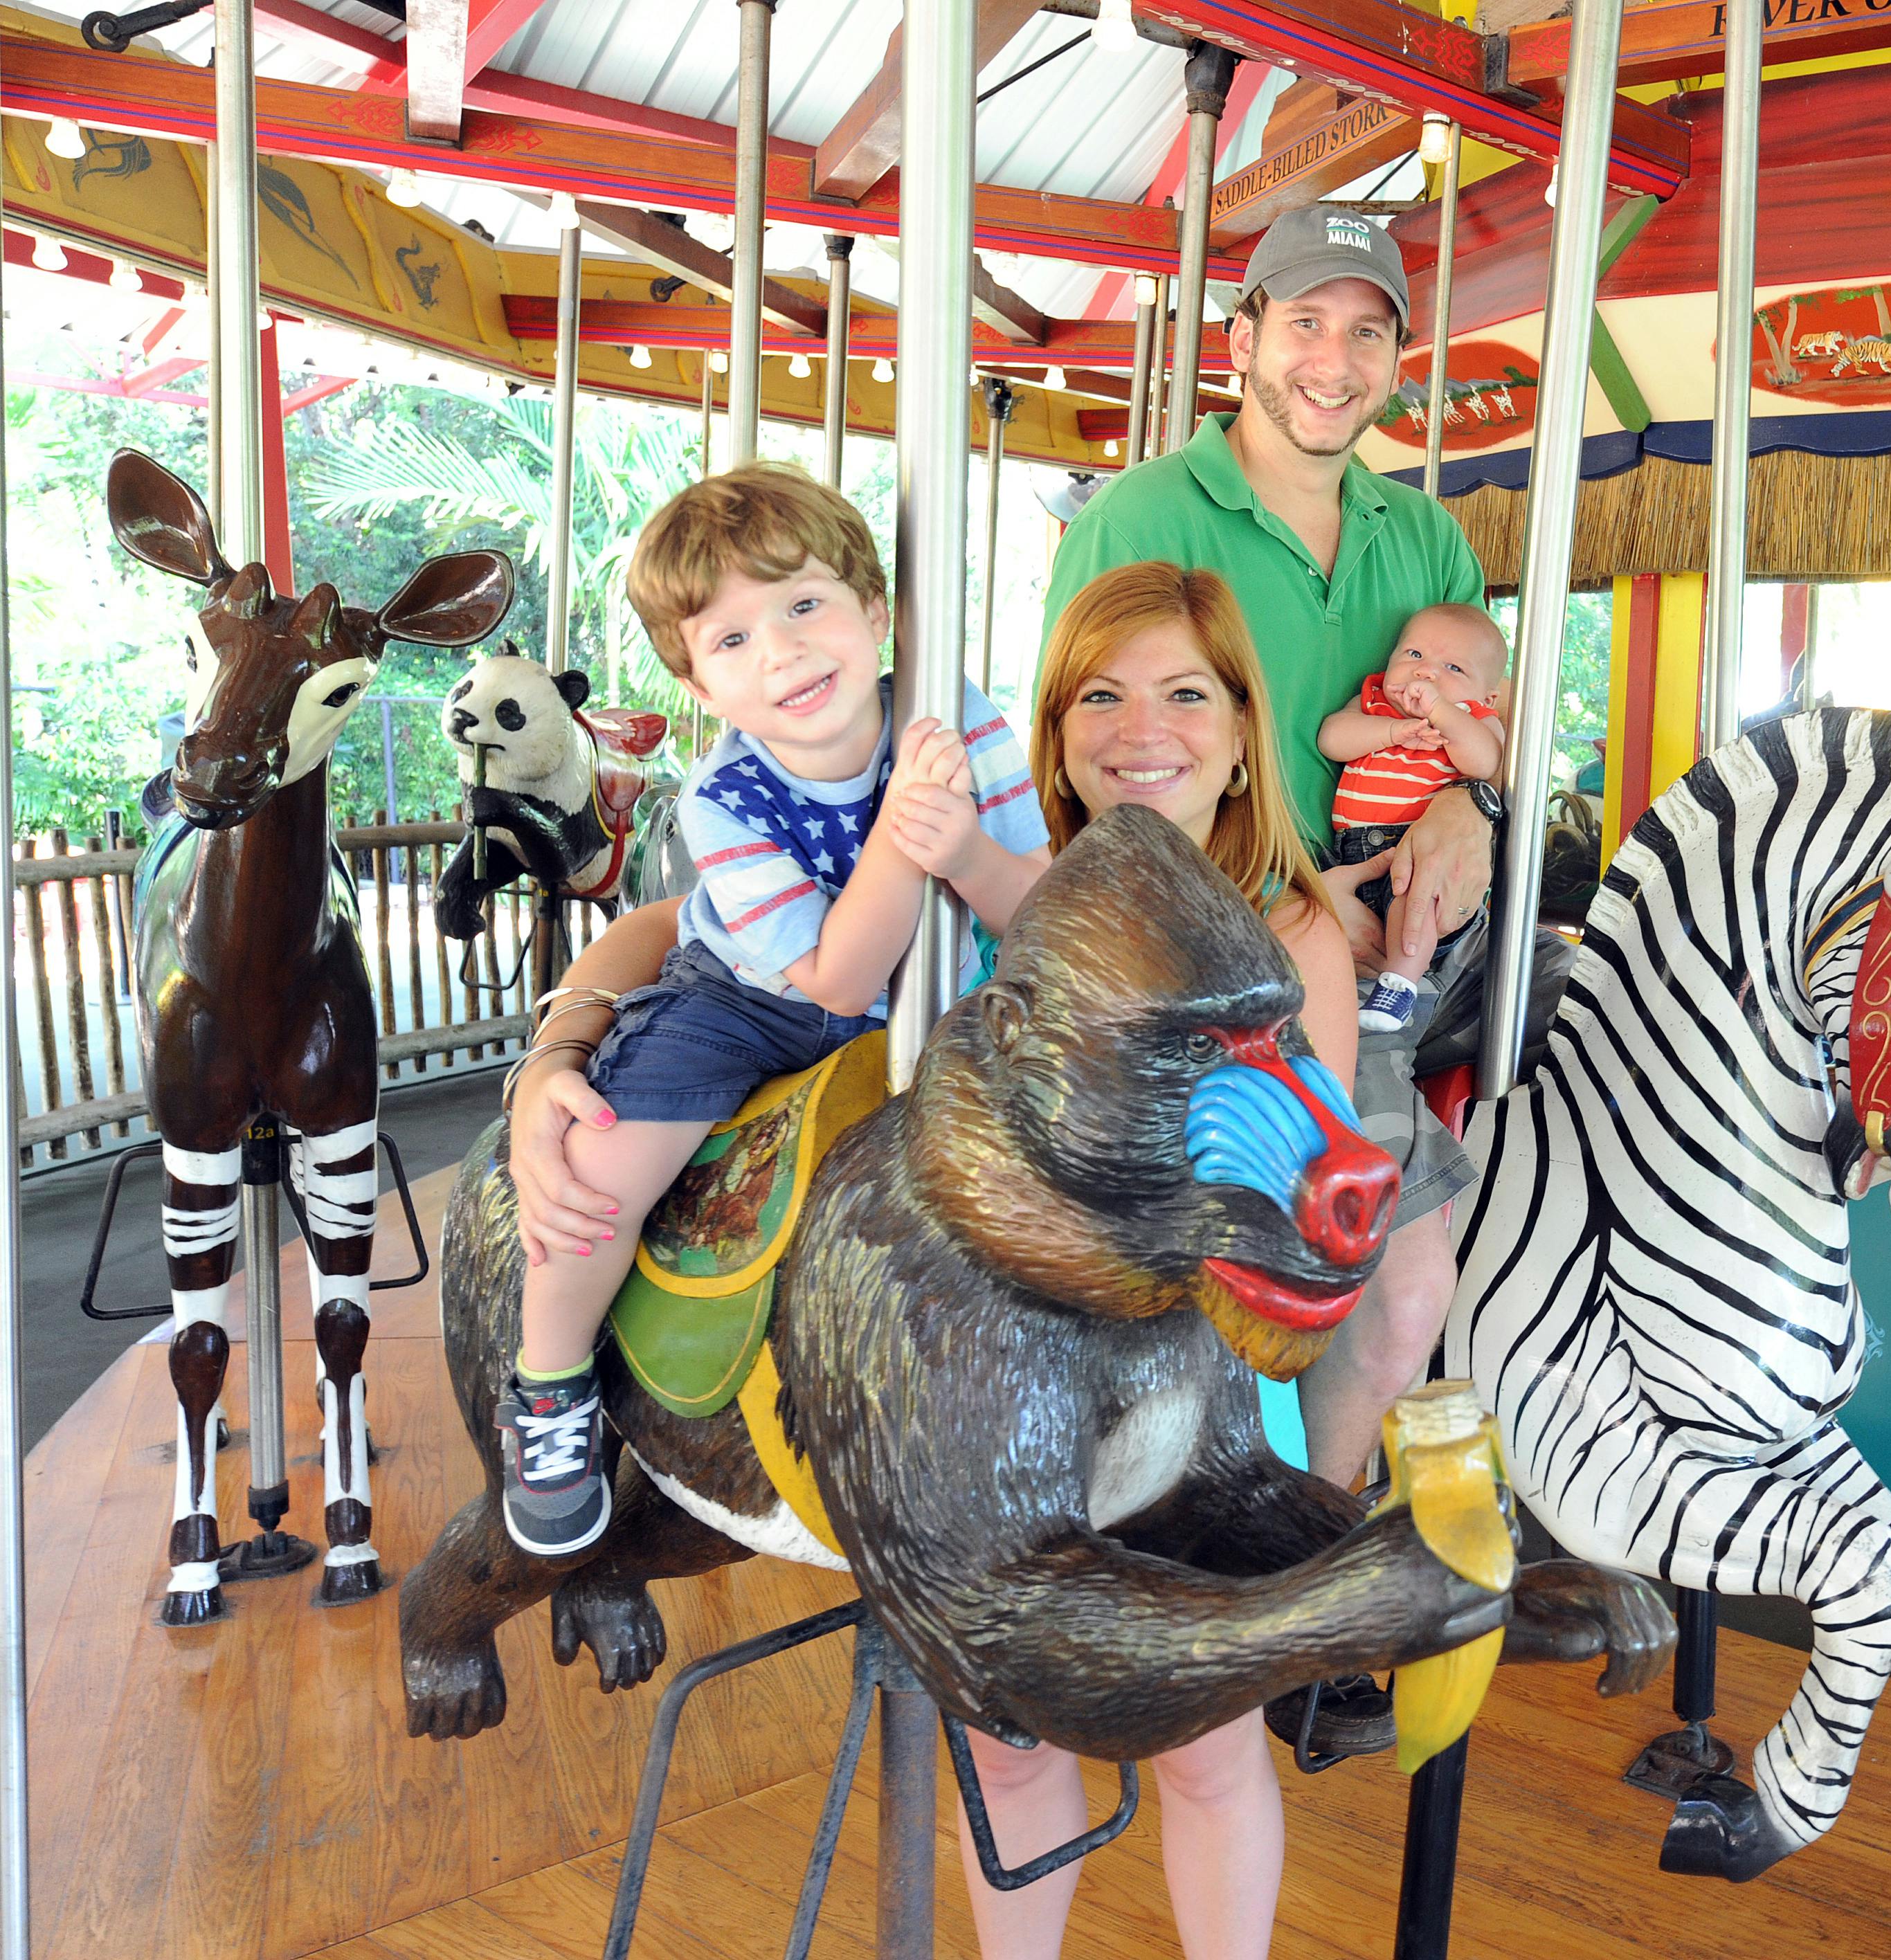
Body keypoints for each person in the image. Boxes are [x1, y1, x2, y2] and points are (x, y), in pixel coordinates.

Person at [508, 561, 1354, 1960]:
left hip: (1182, 1374)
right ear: (1054, 725)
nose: (1145, 726)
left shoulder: (1283, 929)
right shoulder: (976, 833)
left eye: (1187, 693)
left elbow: (1251, 1175)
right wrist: (560, 1042)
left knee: (1208, 1747)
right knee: (1008, 1751)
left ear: (1243, 722)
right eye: (1102, 695)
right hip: (989, 1378)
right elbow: (679, 924)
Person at [497, 462, 1047, 1557]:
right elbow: (835, 981)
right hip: (753, 1004)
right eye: (732, 639)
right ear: (700, 687)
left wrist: (968, 848)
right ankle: (549, 1386)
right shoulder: (723, 800)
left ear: (876, 614)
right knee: (609, 1159)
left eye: (803, 606)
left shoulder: (961, 719)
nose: (784, 651)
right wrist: (904, 831)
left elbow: (1037, 899)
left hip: (946, 995)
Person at [1040, 203, 1501, 1510]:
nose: (1333, 361)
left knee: (1406, 1294)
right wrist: (1273, 919)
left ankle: (1312, 1562)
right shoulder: (1137, 520)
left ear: (1397, 360)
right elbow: (1074, 779)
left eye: (1366, 333)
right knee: (1179, 1315)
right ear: (1242, 336)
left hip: (1368, 980)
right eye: (1304, 324)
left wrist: (1473, 808)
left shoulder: (1425, 539)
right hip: (1186, 989)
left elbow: (1495, 733)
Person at [1320, 602, 1506, 1033]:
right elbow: (1332, 738)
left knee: (1416, 899)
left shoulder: (1473, 719)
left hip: (1414, 847)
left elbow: (1484, 761)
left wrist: (1443, 713)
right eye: (1414, 656)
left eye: (1453, 668)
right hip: (1346, 854)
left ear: (1487, 696)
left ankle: (1400, 984)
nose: (1426, 673)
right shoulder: (1373, 704)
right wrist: (1392, 732)